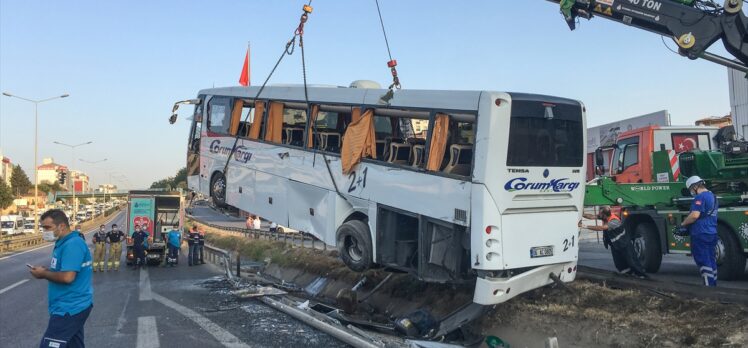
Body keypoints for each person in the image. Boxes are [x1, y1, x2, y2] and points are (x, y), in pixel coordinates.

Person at [29, 209, 93, 348]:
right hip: (73, 306)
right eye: (43, 228)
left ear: (62, 226)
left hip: (69, 309)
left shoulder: (72, 244)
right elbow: (64, 269)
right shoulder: (63, 243)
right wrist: (47, 270)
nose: (44, 231)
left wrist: (43, 274)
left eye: (47, 227)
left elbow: (68, 277)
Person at [582, 206, 648, 278]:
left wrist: (585, 226)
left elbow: (601, 228)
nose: (598, 215)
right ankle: (627, 274)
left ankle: (641, 275)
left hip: (624, 243)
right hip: (615, 244)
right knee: (618, 262)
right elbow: (591, 217)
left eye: (600, 214)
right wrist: (581, 214)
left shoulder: (614, 221)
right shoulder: (605, 216)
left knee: (632, 260)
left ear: (604, 215)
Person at [680, 176, 719, 286]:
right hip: (712, 233)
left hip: (700, 233)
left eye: (691, 189)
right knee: (711, 260)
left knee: (703, 261)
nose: (691, 192)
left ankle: (708, 289)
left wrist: (683, 224)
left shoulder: (700, 198)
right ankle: (713, 285)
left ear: (695, 186)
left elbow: (694, 216)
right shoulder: (713, 197)